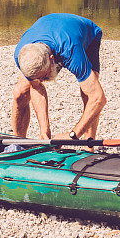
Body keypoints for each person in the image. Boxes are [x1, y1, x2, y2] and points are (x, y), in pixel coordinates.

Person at [12, 13, 106, 142]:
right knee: (20, 93)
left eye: (44, 76)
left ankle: (88, 147)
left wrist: (73, 135)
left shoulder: (70, 51)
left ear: (52, 60)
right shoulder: (21, 54)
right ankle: (18, 143)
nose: (41, 81)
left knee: (88, 94)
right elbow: (35, 87)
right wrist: (44, 130)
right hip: (48, 26)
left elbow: (98, 98)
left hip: (86, 33)